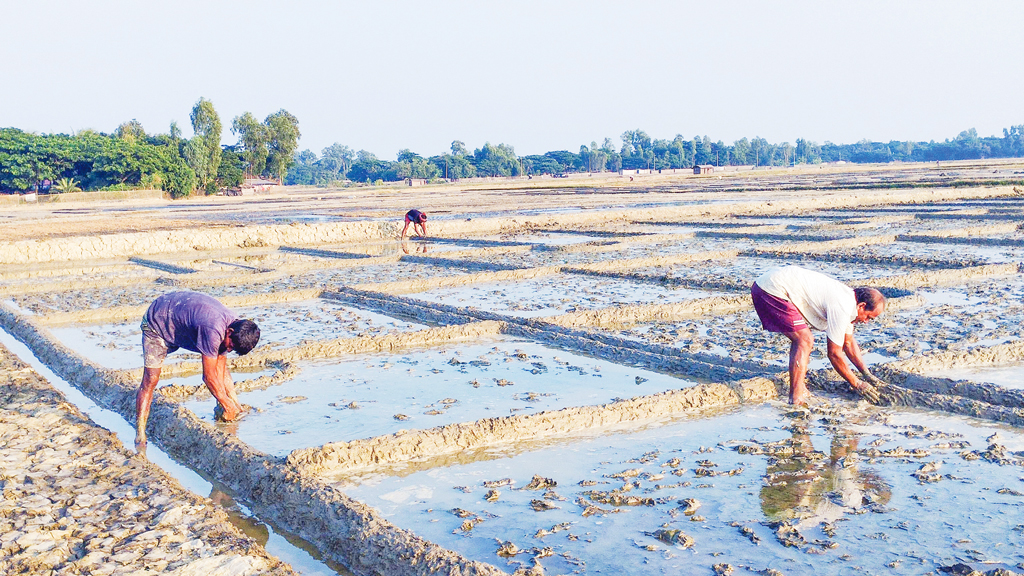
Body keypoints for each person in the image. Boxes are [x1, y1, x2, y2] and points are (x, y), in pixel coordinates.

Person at [135, 291, 260, 451]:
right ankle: (140, 434)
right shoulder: (214, 329)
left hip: (178, 319)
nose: (229, 349)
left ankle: (224, 409)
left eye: (233, 349)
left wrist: (236, 404)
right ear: (229, 332)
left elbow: (221, 368)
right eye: (230, 345)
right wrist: (228, 406)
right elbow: (208, 376)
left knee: (221, 367)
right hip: (158, 321)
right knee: (151, 379)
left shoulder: (233, 325)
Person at [751, 265, 885, 405]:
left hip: (770, 283)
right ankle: (796, 398)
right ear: (862, 306)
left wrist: (867, 374)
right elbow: (834, 354)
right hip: (772, 288)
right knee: (804, 340)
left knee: (802, 339)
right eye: (869, 317)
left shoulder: (849, 302)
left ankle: (799, 389)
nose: (866, 322)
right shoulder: (843, 306)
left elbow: (848, 343)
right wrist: (857, 383)